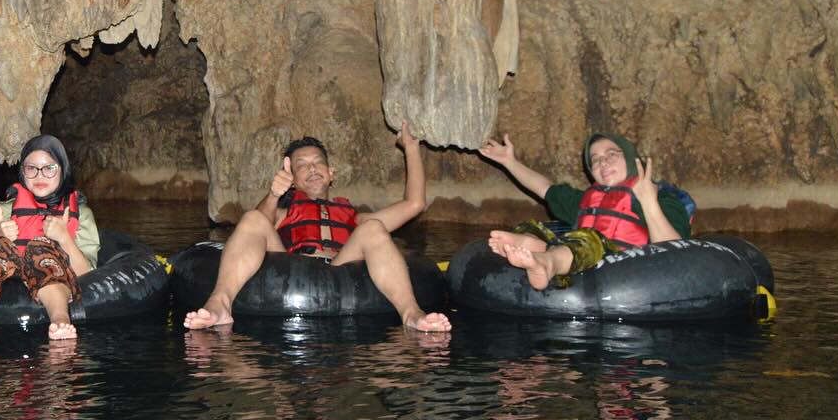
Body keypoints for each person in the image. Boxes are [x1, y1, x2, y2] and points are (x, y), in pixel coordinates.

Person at [183, 124, 451, 332]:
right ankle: (220, 305)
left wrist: (411, 148)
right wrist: (274, 194)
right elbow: (257, 222)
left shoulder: (354, 218)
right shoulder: (283, 212)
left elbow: (414, 204)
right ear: (294, 180)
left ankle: (411, 315)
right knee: (253, 218)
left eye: (317, 162)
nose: (311, 168)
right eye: (301, 165)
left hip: (341, 265)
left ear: (331, 172)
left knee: (375, 228)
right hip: (293, 266)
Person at [478, 131, 691, 290]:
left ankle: (547, 262)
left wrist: (648, 201)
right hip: (583, 261)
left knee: (589, 240)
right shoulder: (588, 201)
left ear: (630, 158)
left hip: (628, 270)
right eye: (595, 160)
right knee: (532, 227)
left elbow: (675, 253)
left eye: (611, 154)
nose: (603, 162)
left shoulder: (664, 199)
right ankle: (533, 244)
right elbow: (544, 188)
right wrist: (509, 161)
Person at [0, 135, 100, 341]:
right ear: (22, 172)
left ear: (63, 170)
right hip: (7, 271)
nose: (40, 175)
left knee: (40, 247)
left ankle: (60, 317)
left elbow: (87, 274)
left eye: (49, 168)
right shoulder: (4, 209)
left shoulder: (80, 213)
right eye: (31, 168)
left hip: (50, 267)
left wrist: (64, 239)